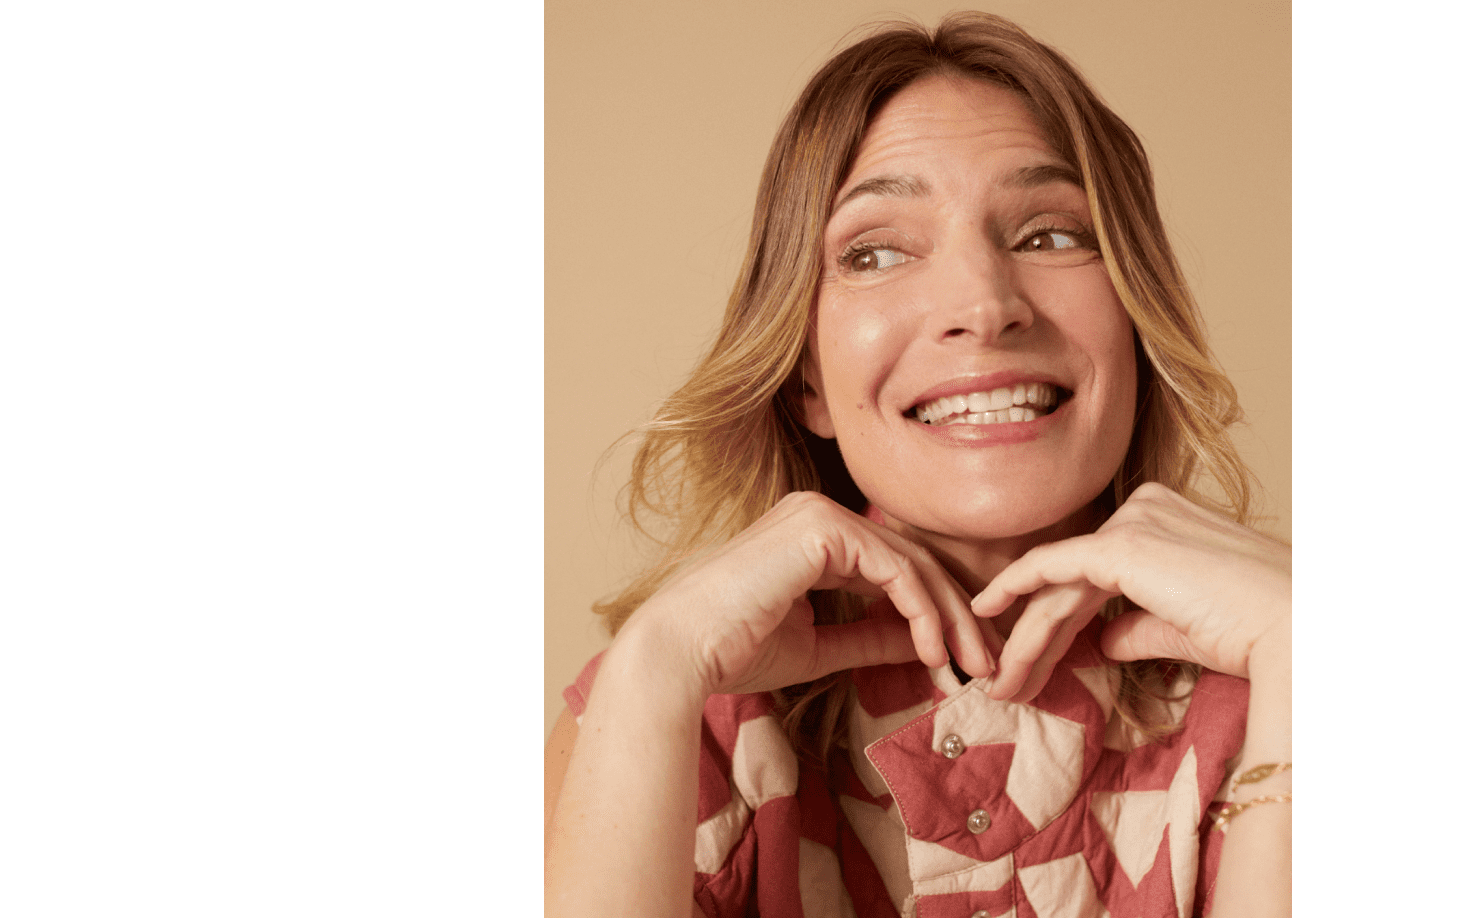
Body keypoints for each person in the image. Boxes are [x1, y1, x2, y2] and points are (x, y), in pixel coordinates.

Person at [545, 12, 1290, 917]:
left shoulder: (1284, 685)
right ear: (806, 376)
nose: (983, 304)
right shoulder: (660, 715)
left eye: (1050, 234)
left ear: (1137, 324)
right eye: (876, 251)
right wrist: (652, 667)